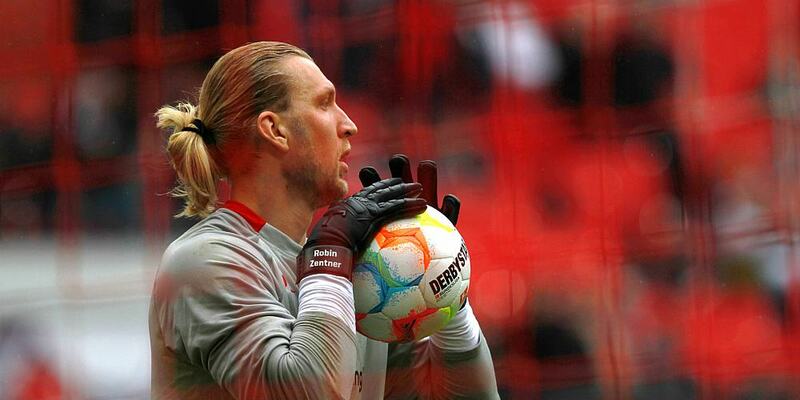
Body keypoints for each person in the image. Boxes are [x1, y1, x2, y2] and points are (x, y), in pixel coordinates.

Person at [149, 41, 498, 399]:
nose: (349, 125)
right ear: (275, 130)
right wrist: (329, 255)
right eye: (324, 103)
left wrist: (442, 283)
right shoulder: (204, 262)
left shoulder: (363, 270)